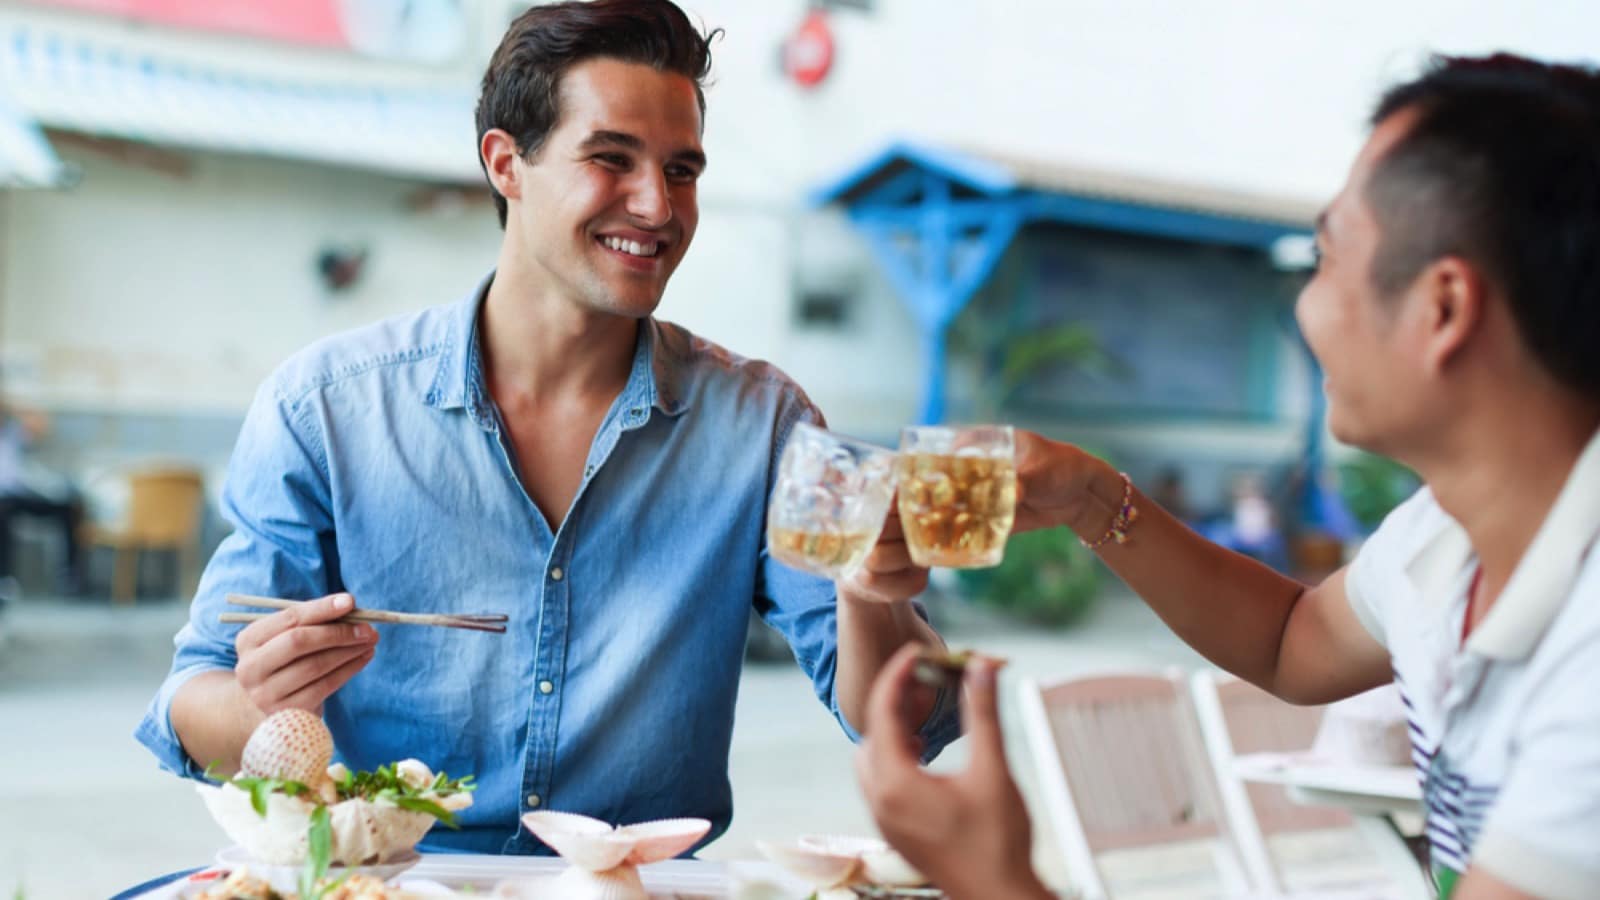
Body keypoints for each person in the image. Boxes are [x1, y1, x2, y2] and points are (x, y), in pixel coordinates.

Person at [137, 0, 958, 855]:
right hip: (389, 878)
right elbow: (190, 704)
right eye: (612, 158)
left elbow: (904, 725)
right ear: (506, 163)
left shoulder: (763, 428)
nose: (657, 205)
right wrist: (261, 707)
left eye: (682, 171)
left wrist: (866, 594)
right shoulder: (326, 409)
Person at [859, 53, 1600, 900]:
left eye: (1326, 258)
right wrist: (1095, 501)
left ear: (1442, 309)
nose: (1304, 308)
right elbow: (1292, 642)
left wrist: (993, 879)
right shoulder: (1447, 535)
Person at [0, 400, 84, 597]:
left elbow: (38, 429)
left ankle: (70, 574)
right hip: (7, 498)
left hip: (30, 490)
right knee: (2, 512)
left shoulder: (15, 434)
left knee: (72, 506)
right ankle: (4, 577)